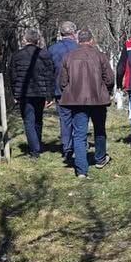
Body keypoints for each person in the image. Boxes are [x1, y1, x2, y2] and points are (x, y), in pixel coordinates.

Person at [60, 29, 114, 177]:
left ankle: (81, 170)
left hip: (77, 101)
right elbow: (109, 79)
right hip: (98, 100)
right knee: (99, 130)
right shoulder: (100, 56)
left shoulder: (68, 57)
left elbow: (63, 82)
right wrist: (105, 90)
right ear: (92, 40)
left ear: (78, 41)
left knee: (79, 134)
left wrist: (71, 91)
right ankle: (100, 159)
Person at [9, 29, 55, 159]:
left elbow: (13, 76)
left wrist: (15, 94)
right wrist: (49, 95)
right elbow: (50, 75)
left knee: (29, 120)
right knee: (38, 119)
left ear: (25, 40)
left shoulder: (17, 55)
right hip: (40, 92)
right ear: (37, 41)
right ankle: (37, 144)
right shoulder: (44, 54)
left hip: (24, 93)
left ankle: (35, 150)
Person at [48, 21, 79, 165]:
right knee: (79, 117)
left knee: (64, 119)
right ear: (73, 33)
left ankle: (67, 148)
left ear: (61, 33)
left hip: (60, 89)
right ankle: (78, 146)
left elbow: (49, 71)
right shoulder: (79, 48)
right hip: (78, 89)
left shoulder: (52, 49)